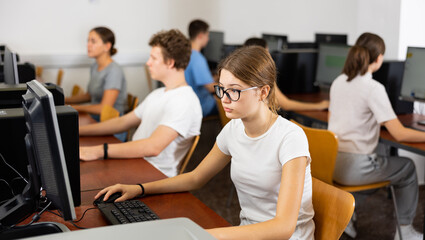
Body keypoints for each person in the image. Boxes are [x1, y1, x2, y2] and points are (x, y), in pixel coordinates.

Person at [95, 46, 315, 239]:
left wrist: (202, 235)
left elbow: (283, 228)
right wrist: (140, 189)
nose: (225, 99)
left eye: (235, 91)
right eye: (222, 89)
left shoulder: (290, 138)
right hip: (246, 233)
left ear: (263, 92)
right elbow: (195, 178)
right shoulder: (234, 130)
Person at [328, 32, 425, 240]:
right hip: (354, 167)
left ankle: (347, 218)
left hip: (331, 162)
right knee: (407, 168)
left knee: (379, 169)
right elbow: (398, 133)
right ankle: (405, 232)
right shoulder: (373, 88)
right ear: (379, 58)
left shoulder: (338, 81)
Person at [79, 29, 202, 178]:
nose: (148, 63)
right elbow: (122, 122)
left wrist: (98, 151)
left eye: (153, 58)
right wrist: (79, 130)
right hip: (135, 163)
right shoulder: (159, 94)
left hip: (153, 174)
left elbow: (153, 147)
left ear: (170, 63)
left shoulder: (184, 101)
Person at [244, 37, 329, 111]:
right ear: (263, 54)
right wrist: (319, 106)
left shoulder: (239, 74)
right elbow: (286, 105)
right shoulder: (263, 76)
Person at [65, 27, 127, 119]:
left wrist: (72, 107)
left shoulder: (114, 70)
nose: (88, 45)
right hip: (95, 117)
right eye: (88, 41)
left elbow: (104, 108)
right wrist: (64, 100)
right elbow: (89, 96)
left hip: (110, 123)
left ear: (107, 46)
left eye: (93, 41)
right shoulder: (95, 66)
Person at [184, 19, 217, 117]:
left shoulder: (185, 54)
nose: (208, 39)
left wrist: (214, 79)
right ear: (200, 36)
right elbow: (210, 88)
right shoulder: (197, 58)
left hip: (188, 103)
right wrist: (229, 86)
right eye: (207, 35)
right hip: (201, 105)